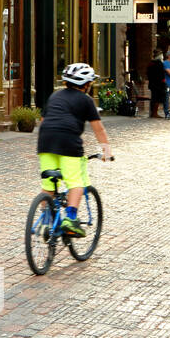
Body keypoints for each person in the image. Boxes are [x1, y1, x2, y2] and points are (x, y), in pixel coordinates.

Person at [37, 62, 113, 237]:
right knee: (75, 182)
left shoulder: (55, 96)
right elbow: (99, 129)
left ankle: (45, 220)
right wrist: (107, 153)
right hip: (68, 143)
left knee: (48, 183)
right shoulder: (86, 101)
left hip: (45, 141)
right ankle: (70, 220)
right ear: (86, 85)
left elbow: (43, 120)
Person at [146, 51, 167, 118]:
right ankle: (154, 113)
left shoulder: (150, 63)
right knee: (157, 99)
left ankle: (152, 113)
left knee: (153, 98)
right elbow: (162, 75)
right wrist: (163, 82)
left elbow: (148, 74)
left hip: (152, 84)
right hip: (159, 84)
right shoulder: (160, 64)